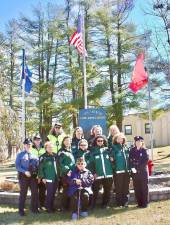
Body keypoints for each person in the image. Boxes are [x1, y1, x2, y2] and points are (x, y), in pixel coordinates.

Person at [15, 138, 39, 216]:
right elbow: (17, 166)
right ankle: (21, 210)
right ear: (24, 145)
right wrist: (25, 171)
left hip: (33, 177)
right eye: (27, 144)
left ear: (31, 145)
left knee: (35, 193)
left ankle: (34, 209)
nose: (28, 146)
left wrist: (38, 175)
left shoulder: (34, 155)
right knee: (23, 193)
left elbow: (37, 166)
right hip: (23, 176)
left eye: (29, 144)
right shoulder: (20, 155)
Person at [90, 135, 113, 209]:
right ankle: (92, 205)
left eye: (101, 140)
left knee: (107, 191)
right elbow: (91, 164)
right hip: (98, 175)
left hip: (108, 175)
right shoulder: (93, 151)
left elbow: (112, 161)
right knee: (95, 191)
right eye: (98, 141)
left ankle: (105, 204)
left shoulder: (108, 150)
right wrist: (94, 172)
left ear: (104, 141)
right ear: (96, 142)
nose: (100, 142)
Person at [110, 133, 130, 207]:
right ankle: (119, 203)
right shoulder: (113, 148)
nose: (120, 139)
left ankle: (125, 202)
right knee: (119, 188)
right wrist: (115, 168)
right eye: (118, 138)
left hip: (126, 171)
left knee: (126, 187)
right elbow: (111, 160)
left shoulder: (126, 147)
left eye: (122, 138)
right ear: (115, 139)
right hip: (118, 172)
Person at [129, 136, 149, 208]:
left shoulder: (145, 150)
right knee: (137, 188)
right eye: (136, 142)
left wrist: (137, 168)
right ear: (135, 142)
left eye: (139, 141)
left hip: (143, 172)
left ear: (142, 142)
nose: (138, 143)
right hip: (135, 173)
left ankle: (145, 203)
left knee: (144, 188)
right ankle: (139, 203)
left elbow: (145, 161)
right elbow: (130, 160)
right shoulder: (132, 150)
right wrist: (132, 168)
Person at [38, 141, 58, 213]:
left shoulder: (55, 155)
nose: (50, 148)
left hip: (56, 178)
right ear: (46, 148)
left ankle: (51, 207)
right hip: (48, 178)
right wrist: (42, 177)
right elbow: (40, 168)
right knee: (49, 193)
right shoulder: (43, 157)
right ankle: (48, 208)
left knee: (53, 193)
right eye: (49, 147)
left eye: (51, 147)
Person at [57, 136, 75, 211]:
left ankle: (69, 206)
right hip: (65, 174)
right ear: (63, 142)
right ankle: (63, 207)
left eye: (69, 140)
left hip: (72, 174)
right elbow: (60, 163)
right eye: (66, 141)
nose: (68, 142)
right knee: (65, 191)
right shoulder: (61, 151)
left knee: (70, 190)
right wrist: (67, 171)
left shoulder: (70, 150)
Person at [31, 134, 46, 209]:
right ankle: (35, 205)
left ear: (41, 140)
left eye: (39, 139)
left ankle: (42, 205)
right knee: (34, 190)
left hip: (43, 171)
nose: (37, 140)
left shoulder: (44, 148)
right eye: (36, 139)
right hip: (34, 171)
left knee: (42, 190)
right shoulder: (31, 148)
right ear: (33, 140)